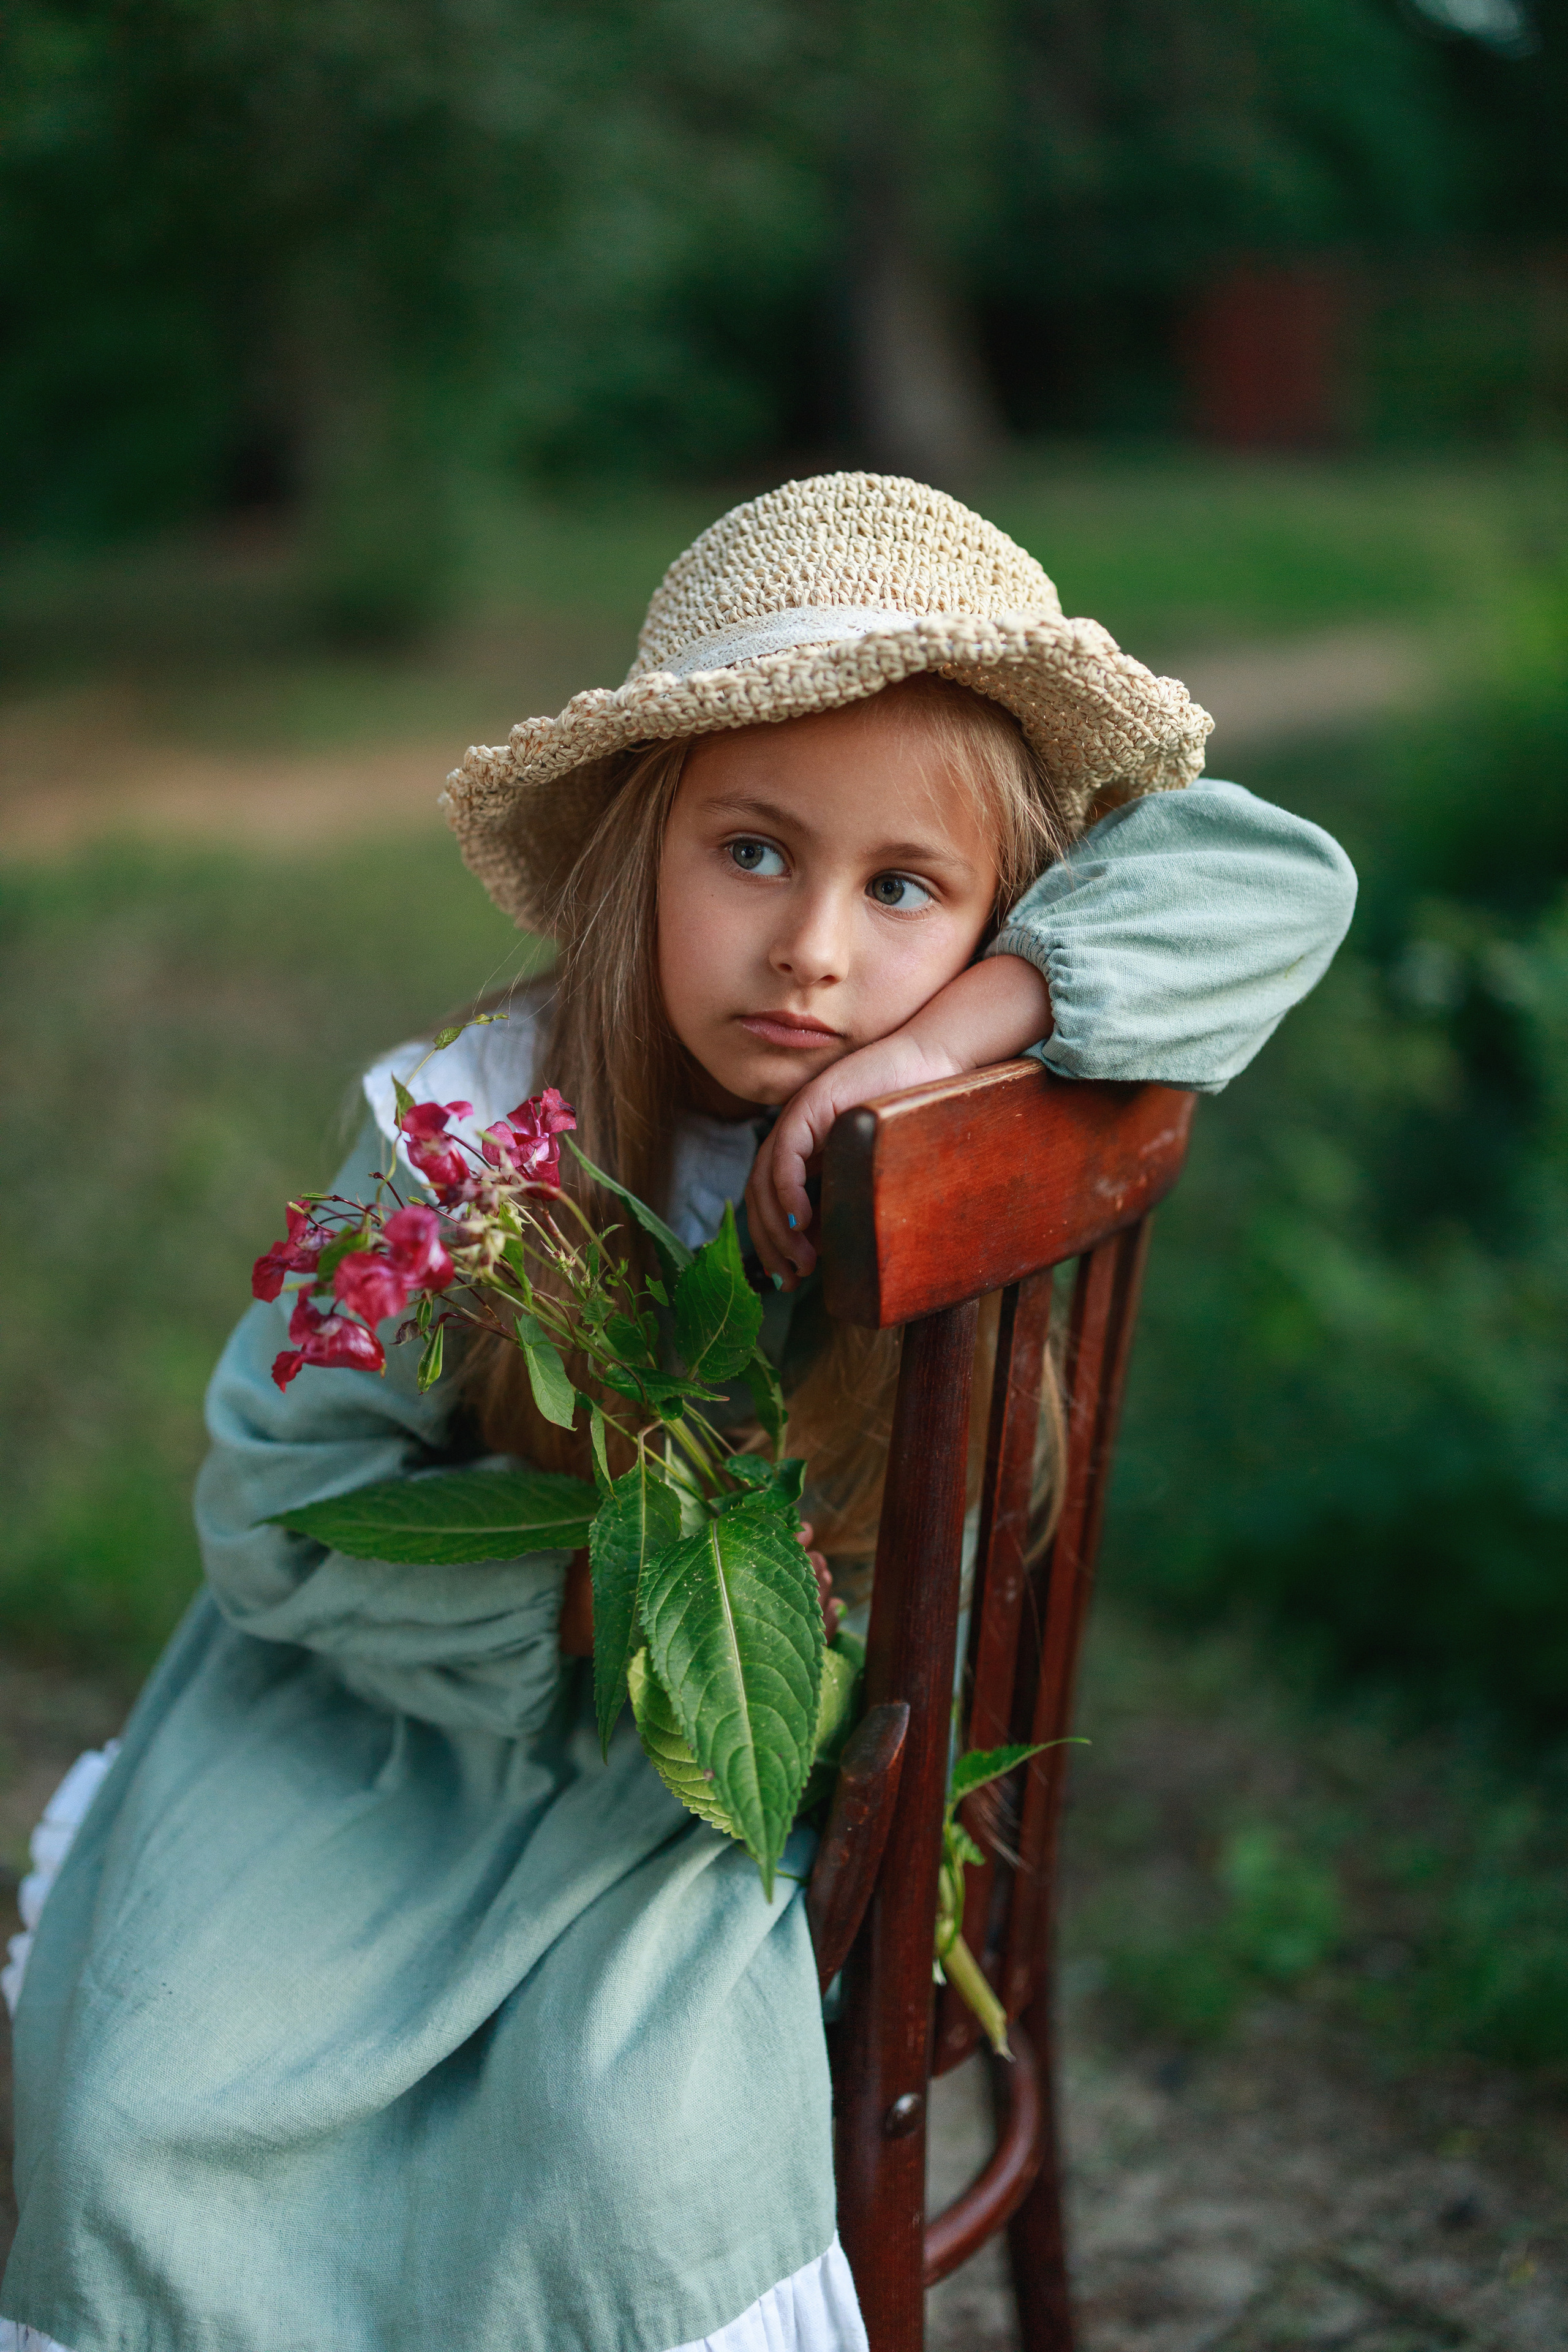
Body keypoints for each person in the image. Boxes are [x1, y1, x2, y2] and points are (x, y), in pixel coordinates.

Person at [1, 473, 1355, 2352]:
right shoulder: (475, 1147)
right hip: (390, 1728)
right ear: (639, 851)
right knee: (157, 2102)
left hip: (721, 1756)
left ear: (1000, 913)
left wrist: (950, 1035)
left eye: (903, 889)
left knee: (618, 2148)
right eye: (752, 853)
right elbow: (273, 1507)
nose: (812, 950)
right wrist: (569, 1600)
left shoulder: (959, 1075)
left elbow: (1281, 875)